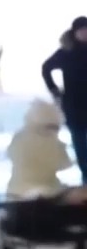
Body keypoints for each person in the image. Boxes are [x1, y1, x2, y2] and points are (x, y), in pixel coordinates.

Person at [41, 17, 87, 183]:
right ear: (75, 32)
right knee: (80, 145)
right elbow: (46, 68)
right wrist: (54, 90)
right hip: (74, 106)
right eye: (81, 30)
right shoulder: (67, 52)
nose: (85, 33)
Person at [6, 99, 72, 199]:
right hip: (47, 190)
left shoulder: (19, 136)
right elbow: (64, 164)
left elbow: (10, 154)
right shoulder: (52, 143)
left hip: (16, 189)